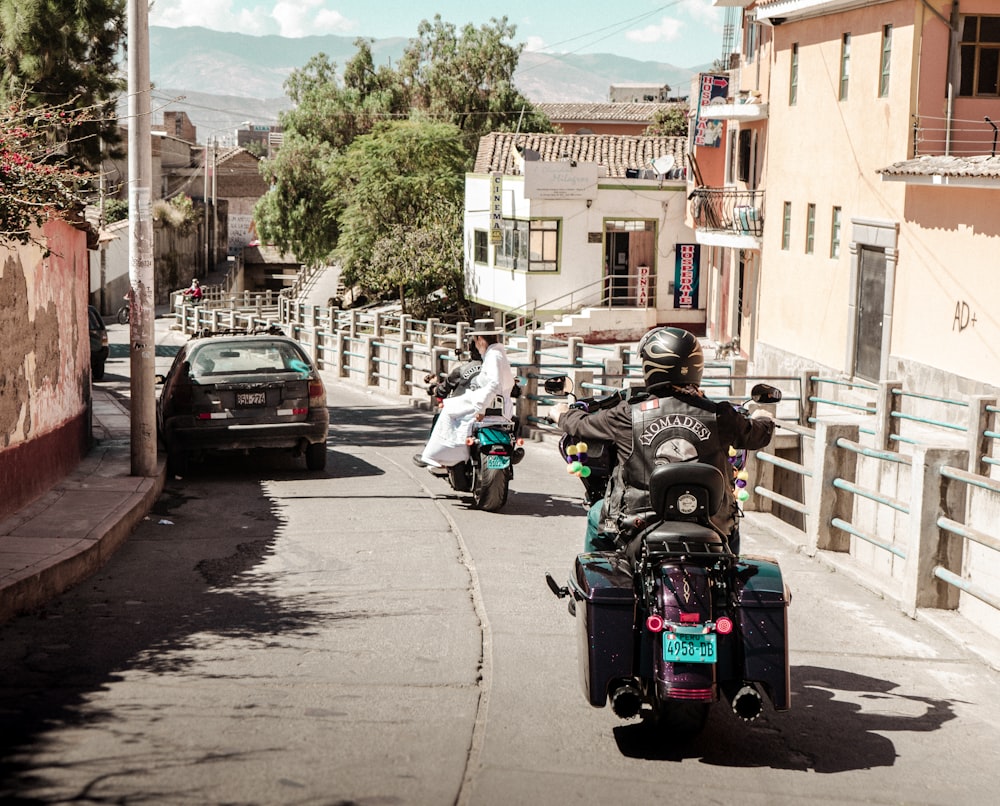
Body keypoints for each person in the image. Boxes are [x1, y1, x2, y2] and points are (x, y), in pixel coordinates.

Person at [551, 326, 774, 555]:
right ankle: (729, 567)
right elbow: (758, 434)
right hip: (710, 520)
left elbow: (581, 425)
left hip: (638, 520)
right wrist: (764, 418)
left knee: (597, 514)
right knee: (730, 523)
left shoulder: (628, 414)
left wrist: (561, 413)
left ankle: (601, 573)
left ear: (651, 367)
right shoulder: (721, 415)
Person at [414, 318, 515, 470]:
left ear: (480, 339)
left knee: (448, 409)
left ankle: (440, 456)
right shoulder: (498, 354)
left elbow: (494, 383)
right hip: (498, 404)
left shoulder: (493, 356)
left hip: (486, 403)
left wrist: (481, 408)